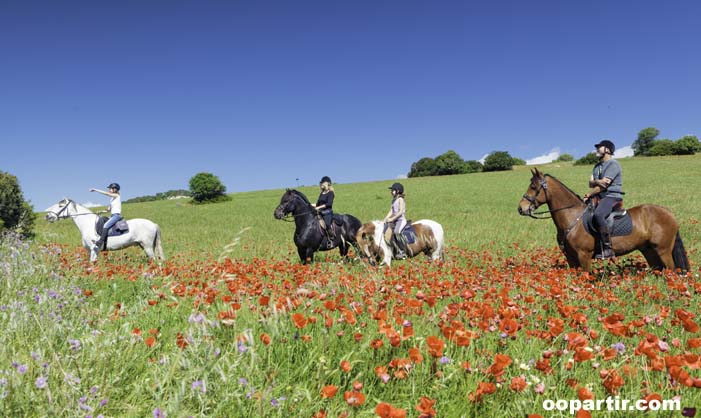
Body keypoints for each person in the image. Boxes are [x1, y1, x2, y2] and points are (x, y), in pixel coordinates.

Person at [583, 140, 623, 259]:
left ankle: (607, 248)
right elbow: (591, 183)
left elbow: (604, 185)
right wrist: (597, 181)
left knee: (599, 215)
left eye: (600, 147)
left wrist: (590, 193)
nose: (597, 149)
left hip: (612, 196)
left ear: (608, 150)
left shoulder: (613, 164)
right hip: (598, 196)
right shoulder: (597, 166)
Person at [90, 183, 123, 249]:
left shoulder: (116, 195)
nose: (109, 190)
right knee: (102, 219)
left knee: (106, 225)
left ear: (115, 189)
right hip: (112, 216)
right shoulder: (112, 199)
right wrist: (101, 211)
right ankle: (101, 237)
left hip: (116, 216)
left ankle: (100, 242)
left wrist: (95, 190)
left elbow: (106, 194)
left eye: (110, 188)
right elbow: (108, 210)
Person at [384, 182, 407, 259]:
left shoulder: (401, 199)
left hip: (400, 220)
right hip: (394, 221)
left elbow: (400, 212)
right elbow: (391, 211)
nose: (391, 192)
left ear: (397, 191)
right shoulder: (393, 200)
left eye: (393, 190)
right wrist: (384, 219)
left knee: (397, 232)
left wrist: (392, 219)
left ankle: (403, 252)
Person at [311, 176, 335, 241]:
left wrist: (318, 207)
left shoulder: (331, 193)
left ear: (328, 184)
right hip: (319, 212)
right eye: (321, 183)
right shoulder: (321, 193)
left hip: (327, 212)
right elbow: (317, 204)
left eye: (322, 182)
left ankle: (332, 237)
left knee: (327, 224)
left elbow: (329, 204)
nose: (321, 184)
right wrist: (309, 204)